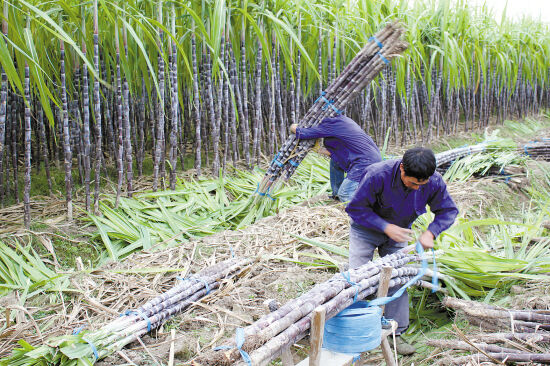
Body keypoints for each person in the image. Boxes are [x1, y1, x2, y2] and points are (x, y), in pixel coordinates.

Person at [345, 147, 458, 355]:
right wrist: (385, 227)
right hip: (365, 229)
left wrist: (431, 233)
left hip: (400, 232)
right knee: (357, 277)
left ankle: (396, 333)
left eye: (421, 184)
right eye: (412, 183)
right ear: (402, 168)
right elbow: (355, 209)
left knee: (397, 279)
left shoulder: (433, 181)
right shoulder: (377, 174)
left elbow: (448, 210)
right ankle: (357, 329)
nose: (416, 188)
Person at [290, 115, 381, 202]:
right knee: (335, 163)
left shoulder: (330, 124)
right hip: (368, 156)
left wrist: (293, 126)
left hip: (365, 162)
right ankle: (336, 195)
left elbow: (303, 133)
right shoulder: (342, 121)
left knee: (345, 193)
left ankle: (362, 211)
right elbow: (336, 152)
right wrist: (319, 150)